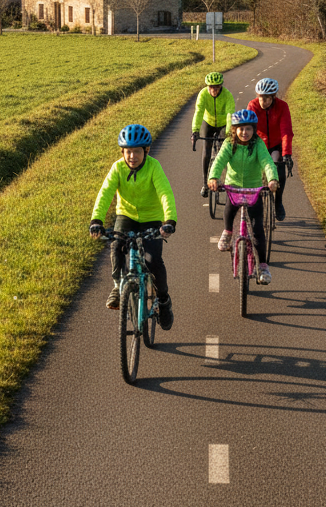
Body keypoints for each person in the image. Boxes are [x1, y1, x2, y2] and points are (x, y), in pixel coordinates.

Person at [89, 124, 176, 330]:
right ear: (122, 152)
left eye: (137, 151)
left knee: (153, 260)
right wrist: (97, 220)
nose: (132, 156)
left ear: (146, 151)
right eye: (128, 151)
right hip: (126, 215)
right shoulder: (117, 168)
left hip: (152, 218)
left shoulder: (154, 167)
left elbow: (165, 193)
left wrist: (169, 221)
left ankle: (163, 300)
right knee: (116, 246)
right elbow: (105, 193)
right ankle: (118, 286)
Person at [207, 109, 278, 285]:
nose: (244, 133)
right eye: (240, 129)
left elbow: (267, 162)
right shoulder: (229, 143)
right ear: (234, 130)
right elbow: (219, 160)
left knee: (257, 230)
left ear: (253, 130)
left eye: (248, 129)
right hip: (234, 187)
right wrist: (213, 177)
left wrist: (272, 179)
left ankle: (262, 266)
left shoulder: (258, 144)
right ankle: (228, 231)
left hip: (254, 189)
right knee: (230, 209)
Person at [247, 77, 293, 221]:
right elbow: (248, 129)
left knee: (279, 168)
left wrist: (287, 154)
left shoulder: (282, 107)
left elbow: (286, 131)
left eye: (267, 98)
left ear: (273, 97)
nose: (263, 101)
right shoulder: (253, 105)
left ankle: (278, 202)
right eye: (261, 97)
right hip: (259, 143)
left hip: (275, 145)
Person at [191, 71, 235, 197]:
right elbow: (199, 112)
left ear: (221, 86)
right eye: (211, 87)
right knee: (207, 150)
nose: (214, 90)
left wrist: (228, 133)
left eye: (217, 87)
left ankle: (224, 180)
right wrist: (195, 131)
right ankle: (205, 184)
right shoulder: (203, 94)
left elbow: (230, 115)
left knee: (224, 151)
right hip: (208, 122)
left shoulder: (227, 95)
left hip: (222, 124)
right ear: (207, 86)